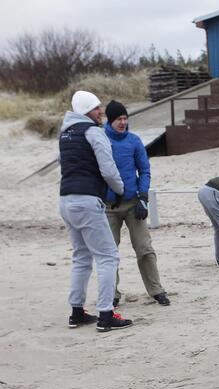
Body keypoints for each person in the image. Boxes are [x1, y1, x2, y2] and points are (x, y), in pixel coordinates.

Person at [58, 90, 133, 332]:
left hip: (66, 200)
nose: (100, 112)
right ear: (85, 111)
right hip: (88, 201)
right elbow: (108, 170)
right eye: (95, 108)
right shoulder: (93, 132)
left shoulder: (64, 134)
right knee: (108, 257)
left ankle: (77, 312)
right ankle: (105, 315)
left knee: (81, 257)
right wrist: (119, 189)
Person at [103, 100, 170, 307]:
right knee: (108, 253)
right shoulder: (100, 140)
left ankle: (156, 290)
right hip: (108, 207)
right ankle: (111, 294)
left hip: (134, 205)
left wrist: (143, 197)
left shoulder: (134, 141)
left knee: (145, 248)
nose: (123, 122)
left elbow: (145, 171)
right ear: (110, 120)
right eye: (118, 119)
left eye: (125, 118)